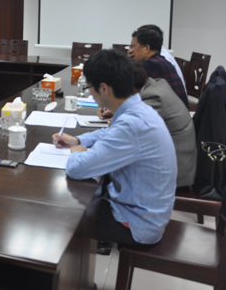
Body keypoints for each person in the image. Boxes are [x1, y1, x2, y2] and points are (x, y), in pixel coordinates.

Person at [53, 49, 176, 249]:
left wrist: (77, 154)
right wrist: (78, 140)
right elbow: (110, 133)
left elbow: (77, 169)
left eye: (89, 87)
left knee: (65, 215)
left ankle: (70, 267)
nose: (89, 93)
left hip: (137, 223)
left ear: (103, 88)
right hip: (145, 211)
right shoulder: (138, 109)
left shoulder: (132, 125)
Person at [98, 64, 196, 188]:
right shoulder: (155, 85)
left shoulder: (153, 97)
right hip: (168, 162)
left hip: (173, 176)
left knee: (103, 168)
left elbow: (118, 132)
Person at [128, 26, 188, 108]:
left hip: (168, 114)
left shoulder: (151, 65)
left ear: (146, 48)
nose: (131, 50)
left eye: (133, 46)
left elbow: (130, 92)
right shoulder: (160, 61)